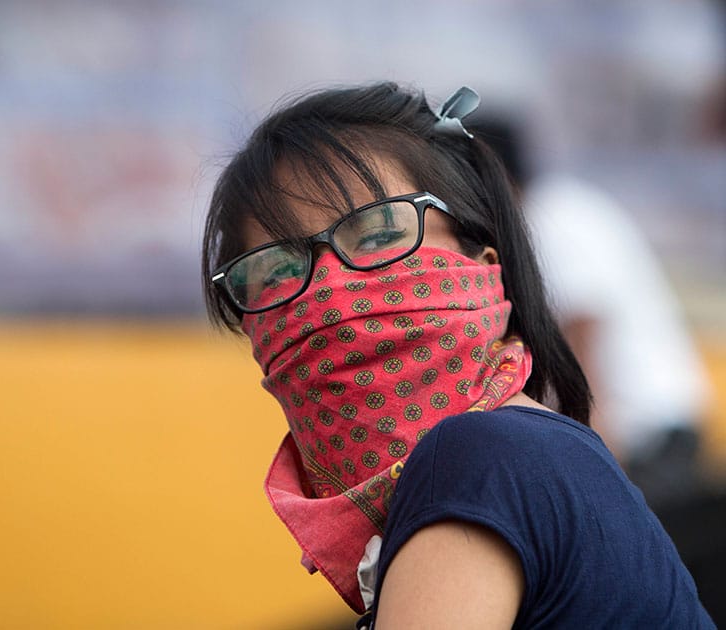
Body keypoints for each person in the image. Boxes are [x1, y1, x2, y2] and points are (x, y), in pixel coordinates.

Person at [201, 83, 713, 628]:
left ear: (480, 254)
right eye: (275, 270)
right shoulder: (507, 460)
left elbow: (587, 332)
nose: (327, 293)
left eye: (378, 233)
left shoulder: (475, 460)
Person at [471, 115, 712, 511]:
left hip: (647, 441)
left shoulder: (548, 219)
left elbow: (583, 341)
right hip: (654, 432)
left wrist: (601, 464)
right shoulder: (564, 206)